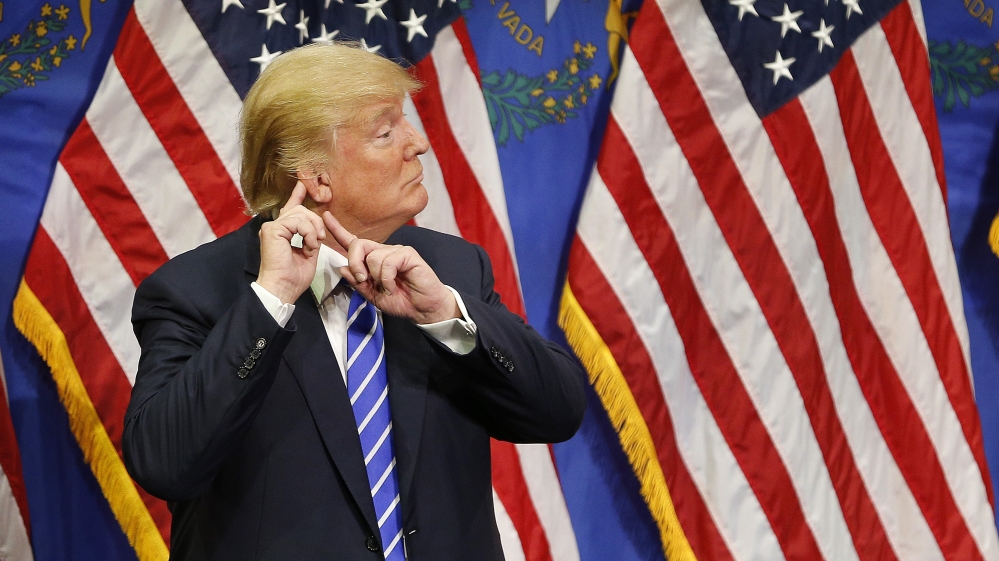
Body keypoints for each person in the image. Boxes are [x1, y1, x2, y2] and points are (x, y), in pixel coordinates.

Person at [122, 42, 586, 560]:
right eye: (386, 132)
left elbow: (558, 413)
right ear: (316, 177)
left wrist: (447, 317)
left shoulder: (450, 269)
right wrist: (270, 301)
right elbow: (165, 464)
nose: (418, 144)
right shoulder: (196, 289)